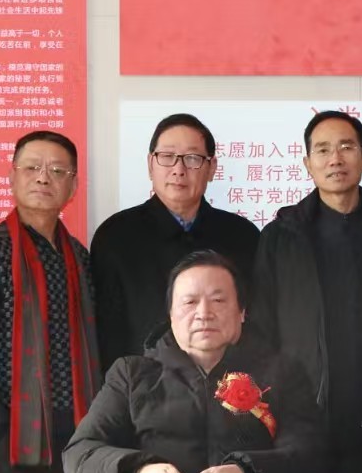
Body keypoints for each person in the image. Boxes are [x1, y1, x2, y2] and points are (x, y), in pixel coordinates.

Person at [64, 251, 325, 473]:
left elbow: (311, 454)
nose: (204, 314)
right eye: (190, 302)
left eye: (218, 301)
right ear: (170, 314)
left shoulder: (281, 372)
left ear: (242, 312)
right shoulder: (131, 374)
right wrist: (138, 471)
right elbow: (79, 454)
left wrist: (246, 471)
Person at [249, 111, 362, 473]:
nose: (335, 159)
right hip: (303, 408)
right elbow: (262, 325)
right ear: (307, 163)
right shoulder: (281, 236)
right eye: (322, 150)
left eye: (346, 147)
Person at [0, 131, 100, 473]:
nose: (43, 178)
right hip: (16, 434)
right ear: (12, 176)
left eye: (57, 170)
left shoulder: (79, 256)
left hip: (79, 429)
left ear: (73, 185)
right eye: (32, 168)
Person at [90, 113, 259, 371]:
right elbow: (107, 332)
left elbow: (255, 321)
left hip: (227, 385)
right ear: (150, 165)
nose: (179, 170)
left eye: (192, 158)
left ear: (211, 168)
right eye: (167, 157)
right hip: (142, 386)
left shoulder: (242, 235)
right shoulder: (115, 236)